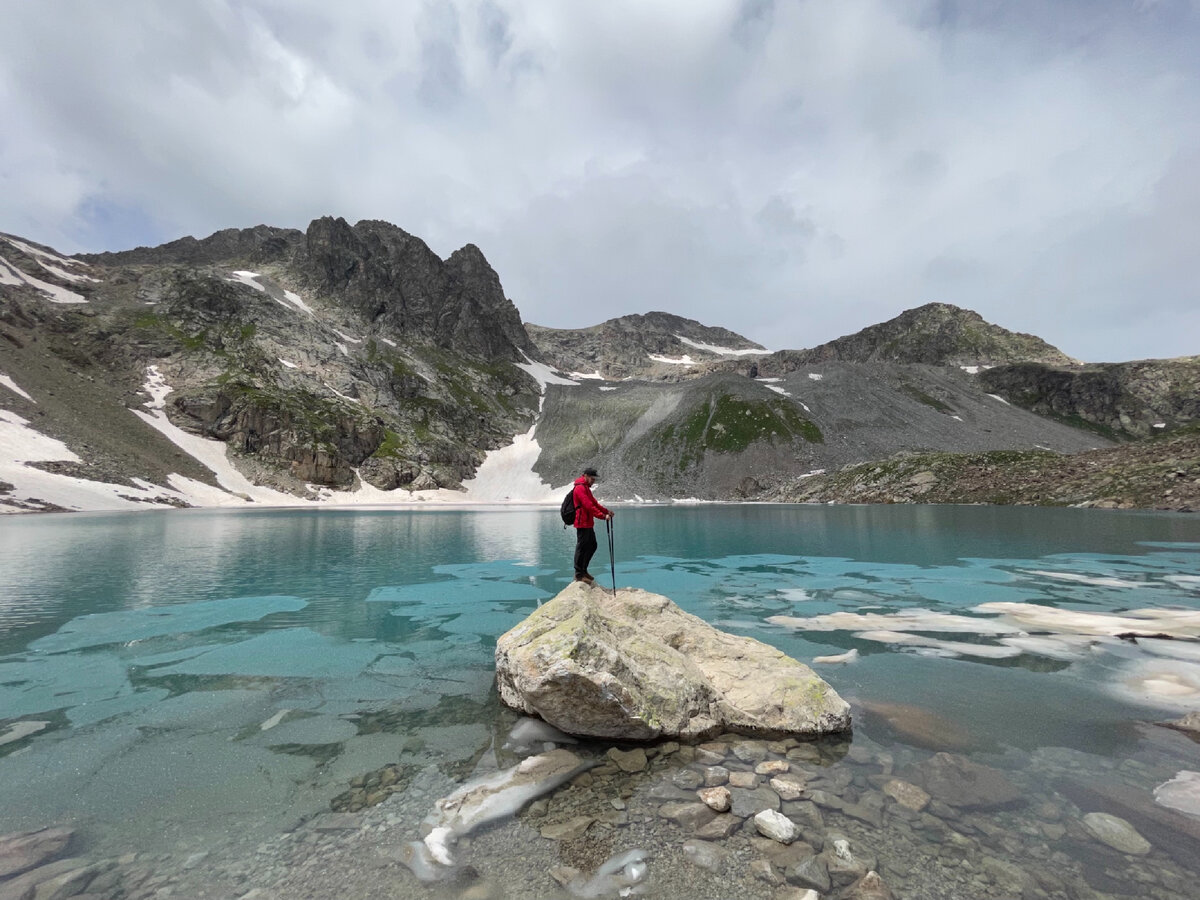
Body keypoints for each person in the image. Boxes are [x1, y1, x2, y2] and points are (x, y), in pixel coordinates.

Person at [572, 467, 612, 584]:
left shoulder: (586, 488)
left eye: (594, 478)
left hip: (588, 523)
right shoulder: (580, 488)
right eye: (592, 478)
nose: (593, 480)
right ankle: (579, 574)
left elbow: (594, 503)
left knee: (592, 545)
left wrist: (606, 511)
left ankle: (583, 571)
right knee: (582, 547)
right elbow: (588, 506)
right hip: (582, 523)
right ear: (585, 476)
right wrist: (603, 516)